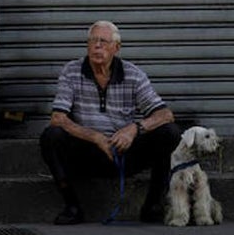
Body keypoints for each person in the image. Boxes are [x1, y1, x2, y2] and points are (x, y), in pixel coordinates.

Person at [39, 20, 182, 225]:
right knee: (51, 136)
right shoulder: (71, 71)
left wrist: (134, 128)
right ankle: (72, 206)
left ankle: (153, 205)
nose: (97, 46)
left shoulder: (133, 74)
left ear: (117, 47)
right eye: (93, 41)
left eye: (104, 42)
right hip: (88, 152)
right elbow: (58, 118)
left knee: (170, 132)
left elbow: (165, 114)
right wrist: (95, 137)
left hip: (124, 152)